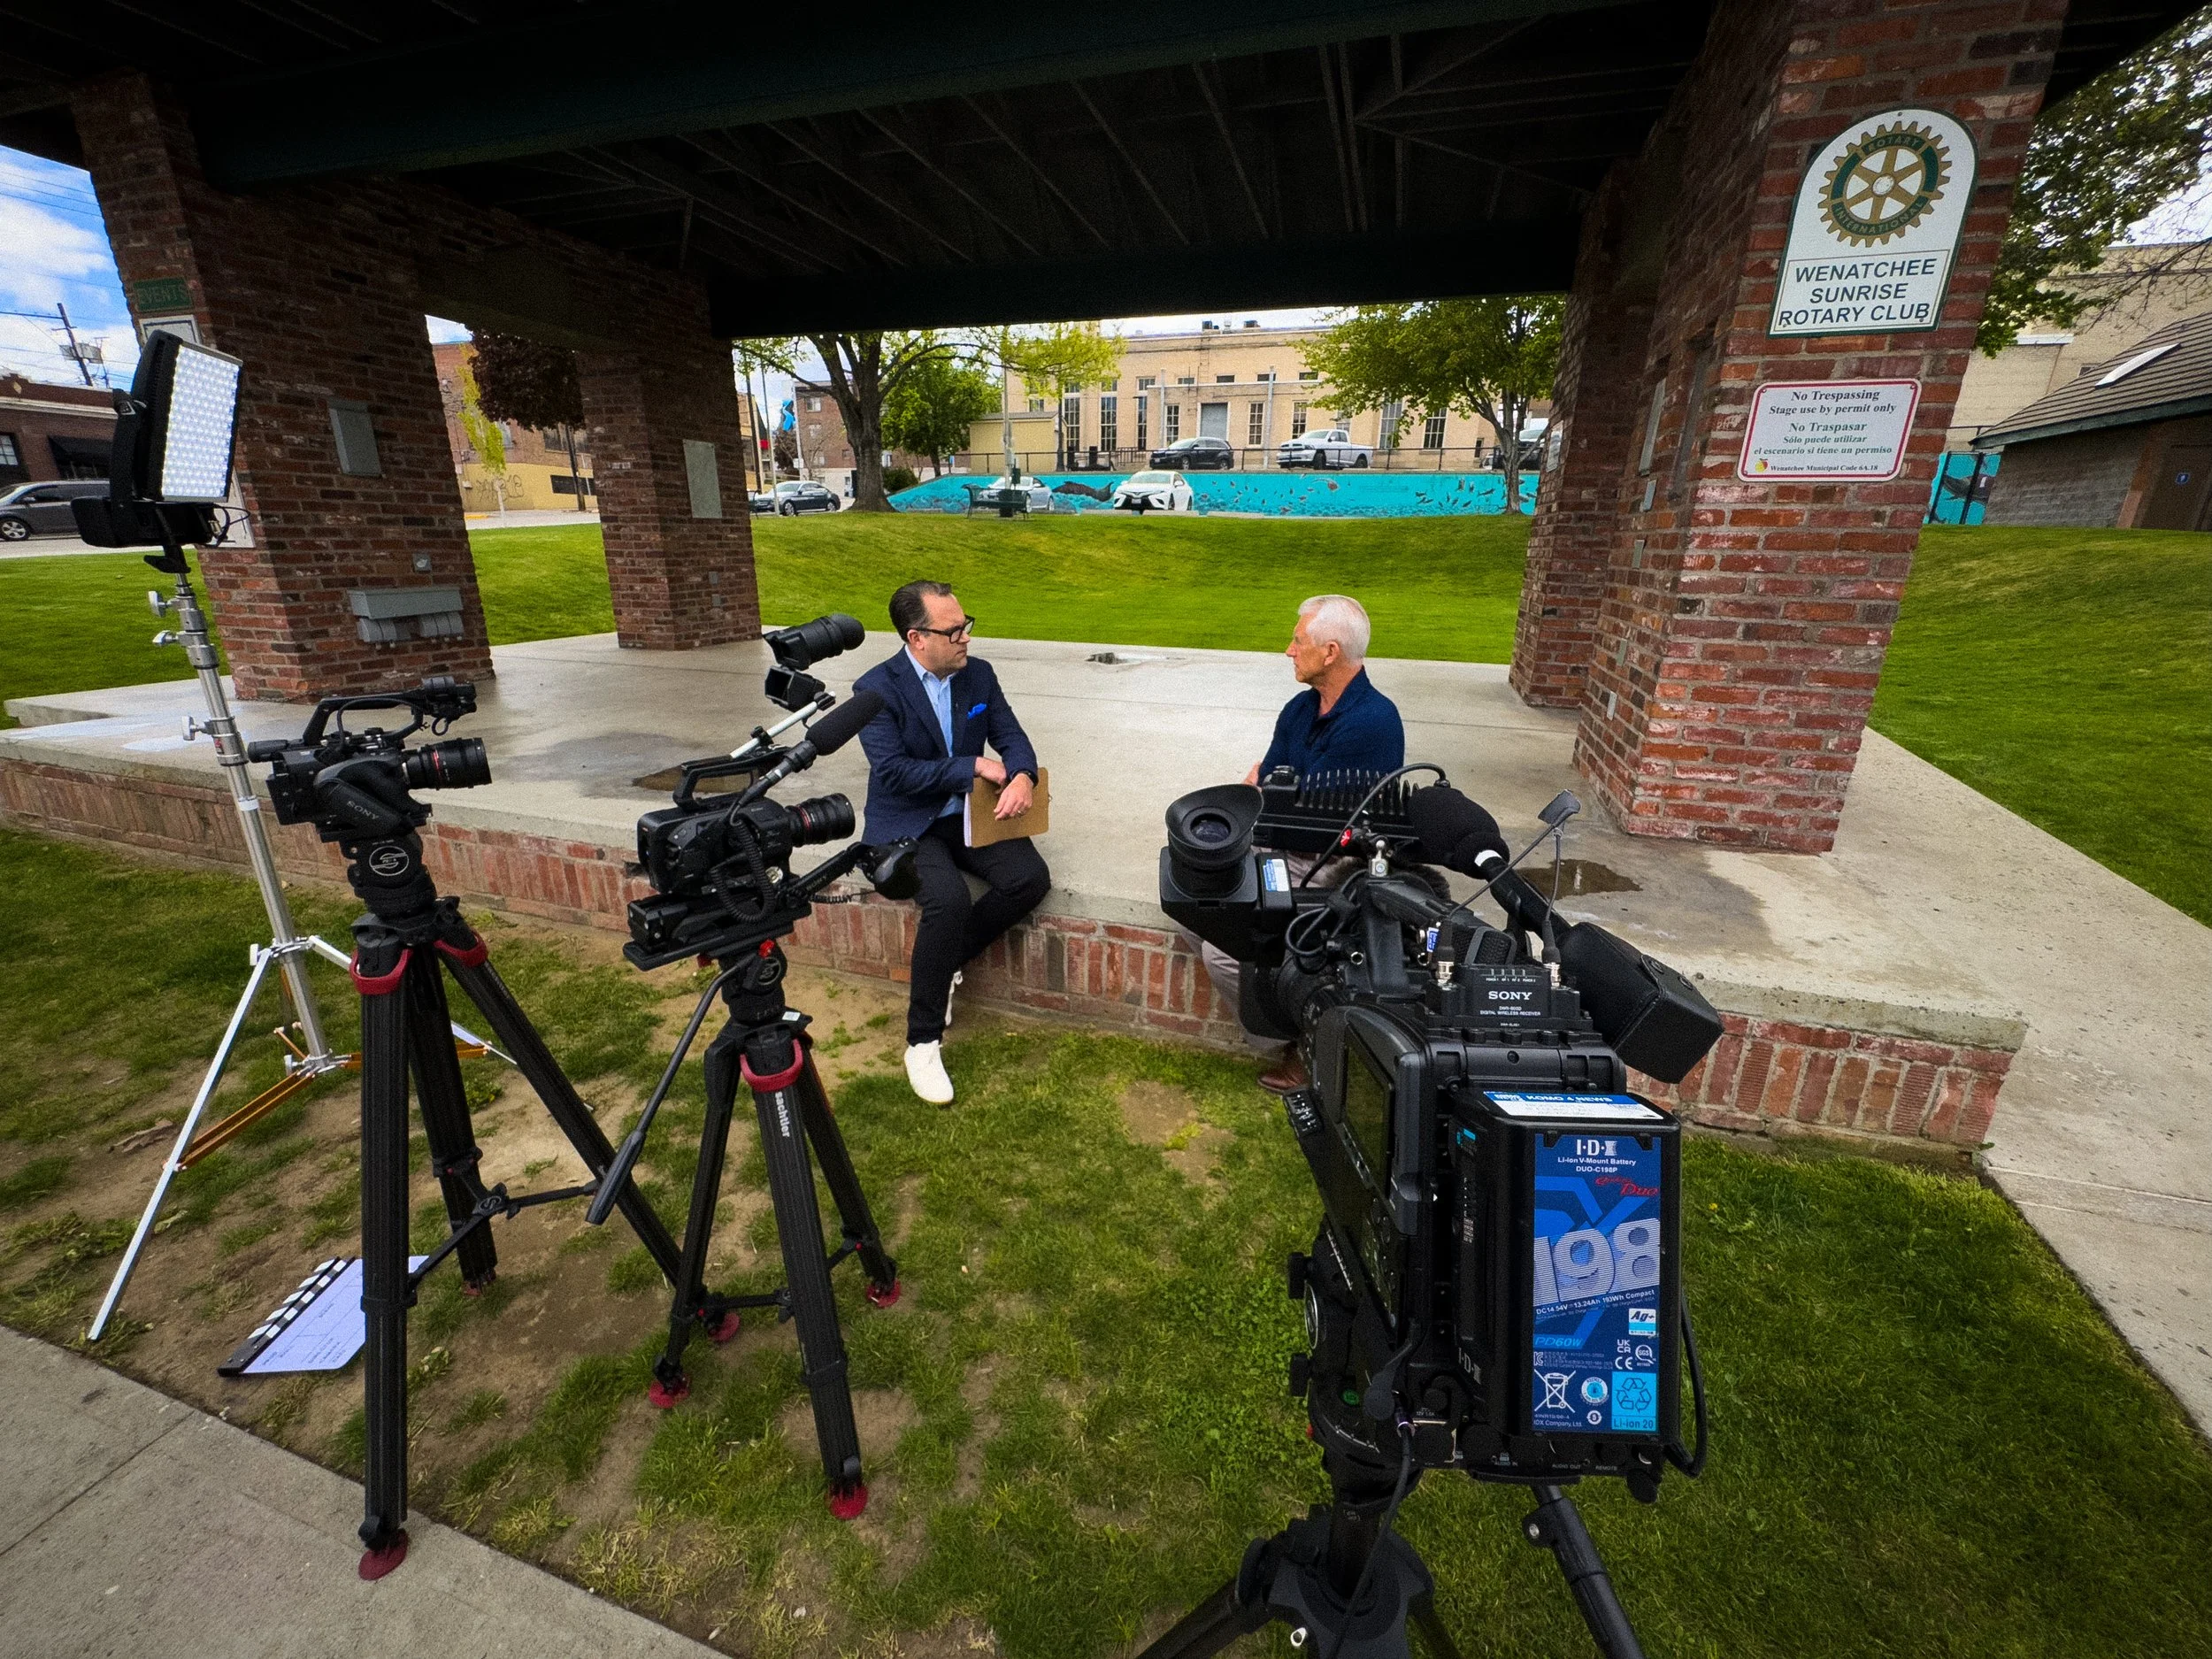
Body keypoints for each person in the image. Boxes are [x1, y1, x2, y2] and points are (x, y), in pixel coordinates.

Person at [855, 580, 1049, 1106]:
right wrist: (973, 766)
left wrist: (1024, 774)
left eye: (967, 625)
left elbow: (1010, 736)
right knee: (948, 899)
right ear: (917, 638)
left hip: (969, 817)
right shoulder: (875, 690)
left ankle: (943, 966)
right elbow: (894, 774)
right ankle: (921, 1042)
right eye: (954, 630)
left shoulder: (978, 675)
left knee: (1030, 879)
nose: (966, 638)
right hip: (908, 822)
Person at [1202, 593, 1404, 1094]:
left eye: (1298, 640)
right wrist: (1262, 794)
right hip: (1279, 843)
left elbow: (1305, 812)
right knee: (1193, 895)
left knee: (1222, 953)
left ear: (1330, 651)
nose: (1288, 650)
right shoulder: (1300, 707)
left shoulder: (1373, 723)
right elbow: (1270, 785)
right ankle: (1293, 1027)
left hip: (1329, 864)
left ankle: (1304, 1044)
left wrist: (1263, 794)